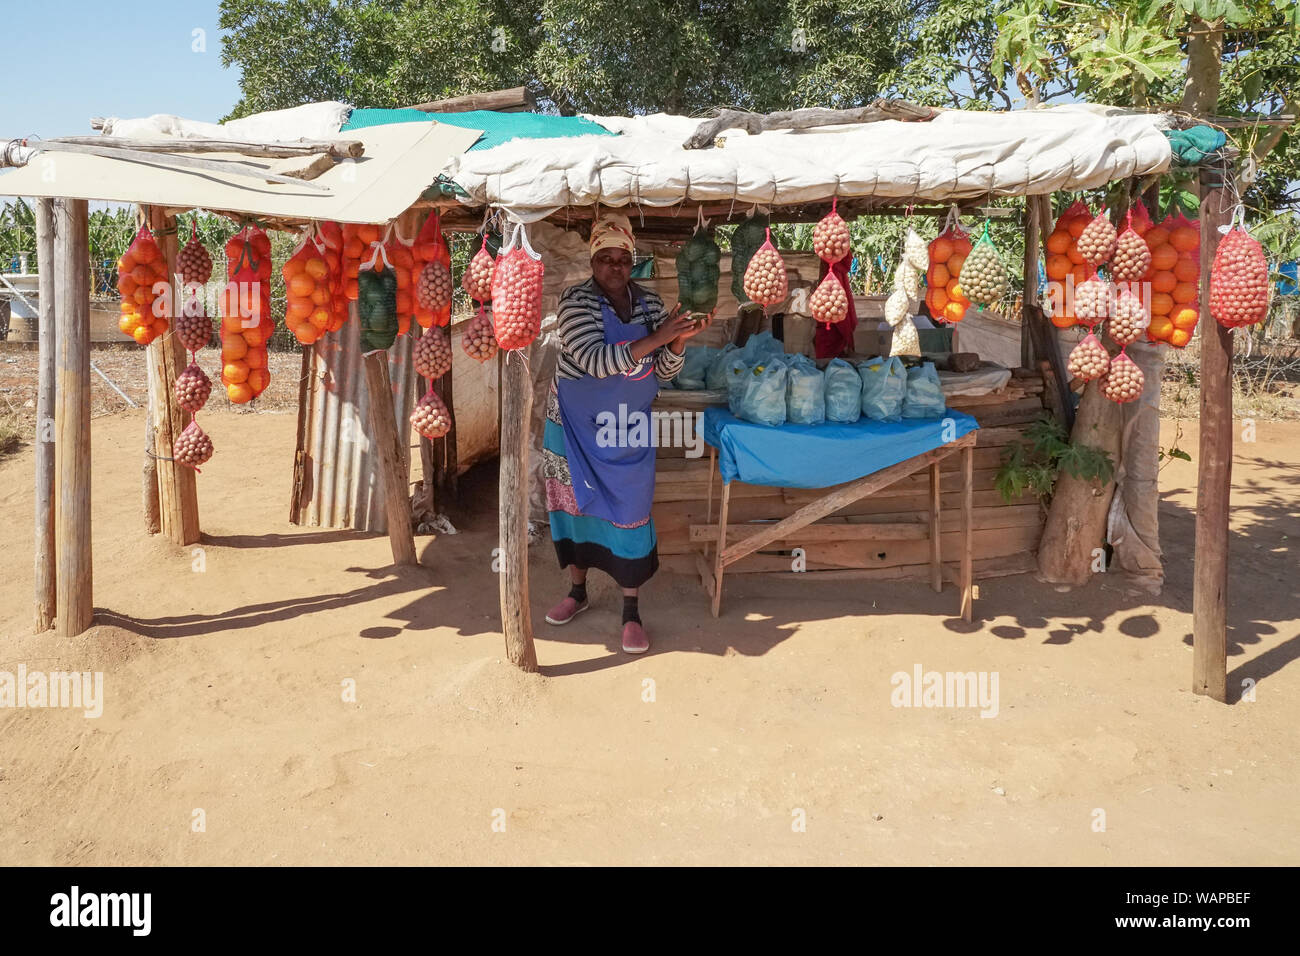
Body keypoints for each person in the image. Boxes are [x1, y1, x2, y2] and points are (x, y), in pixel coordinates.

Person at [542, 213, 710, 654]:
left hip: (627, 426)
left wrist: (676, 342)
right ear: (593, 259)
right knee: (575, 507)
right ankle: (577, 592)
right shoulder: (574, 301)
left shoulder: (652, 305)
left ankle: (631, 610)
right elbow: (597, 361)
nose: (615, 267)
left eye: (623, 259)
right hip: (574, 427)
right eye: (605, 258)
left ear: (632, 261)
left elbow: (666, 373)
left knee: (630, 509)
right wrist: (660, 337)